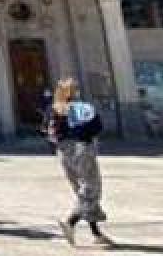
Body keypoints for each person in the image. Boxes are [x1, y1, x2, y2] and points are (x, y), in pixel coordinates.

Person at [49, 78, 113, 248]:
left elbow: (49, 132)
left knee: (82, 191)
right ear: (73, 91)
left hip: (63, 151)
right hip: (82, 148)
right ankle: (71, 222)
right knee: (91, 188)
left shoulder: (55, 109)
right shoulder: (83, 107)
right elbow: (97, 126)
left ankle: (96, 233)